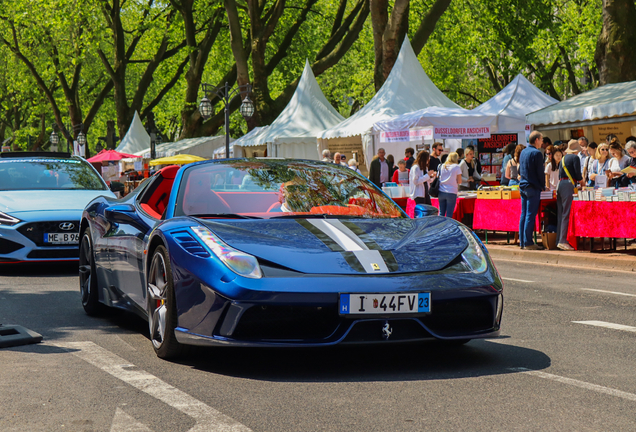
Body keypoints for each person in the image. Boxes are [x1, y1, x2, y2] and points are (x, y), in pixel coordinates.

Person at [519, 131, 546, 250]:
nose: (542, 142)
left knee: (524, 214)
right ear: (536, 140)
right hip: (532, 186)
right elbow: (540, 172)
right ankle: (528, 242)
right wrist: (543, 185)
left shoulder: (523, 151)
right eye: (541, 139)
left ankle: (523, 241)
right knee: (530, 214)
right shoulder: (537, 153)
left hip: (523, 185)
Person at [556, 140, 584, 251]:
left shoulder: (563, 158)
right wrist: (582, 182)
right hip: (568, 185)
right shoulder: (575, 158)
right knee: (567, 213)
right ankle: (563, 240)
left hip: (561, 184)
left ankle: (559, 239)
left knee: (561, 213)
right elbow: (578, 174)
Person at [438, 152, 462, 218]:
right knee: (449, 214)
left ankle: (440, 227)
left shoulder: (442, 166)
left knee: (441, 213)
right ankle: (447, 228)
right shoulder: (456, 167)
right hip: (451, 191)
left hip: (441, 191)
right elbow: (459, 181)